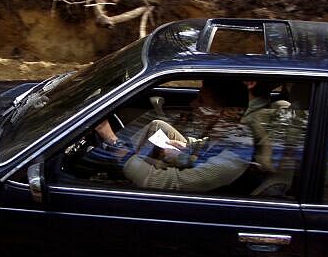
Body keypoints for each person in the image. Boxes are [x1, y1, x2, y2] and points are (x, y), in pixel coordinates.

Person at [96, 79, 255, 193]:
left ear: (226, 113)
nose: (193, 104)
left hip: (189, 209)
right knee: (158, 127)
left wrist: (112, 140)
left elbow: (163, 182)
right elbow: (205, 146)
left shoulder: (231, 159)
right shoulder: (230, 133)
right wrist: (185, 148)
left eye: (201, 101)